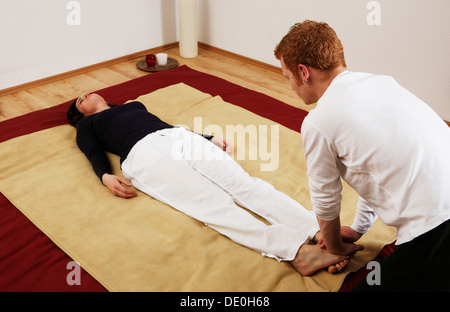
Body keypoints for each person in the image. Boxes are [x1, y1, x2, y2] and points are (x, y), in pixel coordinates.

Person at [67, 92, 351, 276]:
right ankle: (296, 252)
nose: (86, 94)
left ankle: (320, 231)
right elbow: (92, 151)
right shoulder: (86, 126)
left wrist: (205, 138)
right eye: (80, 100)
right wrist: (104, 176)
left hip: (177, 137)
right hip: (143, 154)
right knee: (213, 205)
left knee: (246, 185)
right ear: (80, 115)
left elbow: (164, 124)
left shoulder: (134, 105)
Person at [274, 20, 450, 291]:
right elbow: (375, 167)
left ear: (303, 72)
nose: (291, 86)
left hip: (435, 232)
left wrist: (335, 248)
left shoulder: (320, 121)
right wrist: (358, 228)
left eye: (287, 77)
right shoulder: (382, 83)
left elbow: (325, 200)